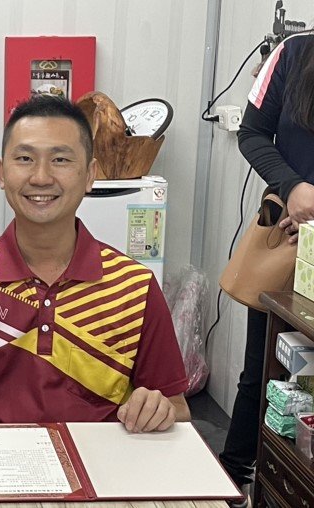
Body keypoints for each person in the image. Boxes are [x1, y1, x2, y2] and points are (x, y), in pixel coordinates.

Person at [0, 94, 190, 437]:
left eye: (60, 160)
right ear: (2, 173)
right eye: (24, 158)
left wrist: (157, 410)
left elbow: (177, 408)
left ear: (90, 175)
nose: (40, 177)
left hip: (99, 462)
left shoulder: (135, 286)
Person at [220, 31, 314, 502]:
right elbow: (252, 133)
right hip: (289, 246)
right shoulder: (294, 52)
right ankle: (234, 473)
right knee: (264, 368)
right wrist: (292, 186)